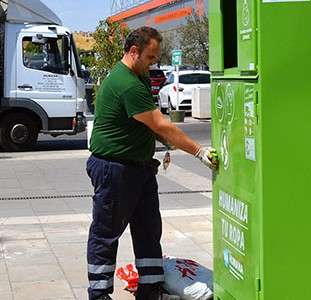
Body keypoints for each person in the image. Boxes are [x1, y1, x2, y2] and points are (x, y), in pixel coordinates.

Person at [85, 26, 219, 300]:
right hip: (115, 169)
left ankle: (150, 290)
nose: (154, 64)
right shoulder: (126, 83)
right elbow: (159, 123)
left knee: (148, 231)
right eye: (150, 57)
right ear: (133, 52)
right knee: (106, 234)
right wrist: (199, 152)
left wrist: (166, 143)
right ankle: (98, 295)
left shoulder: (140, 76)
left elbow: (150, 124)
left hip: (139, 168)